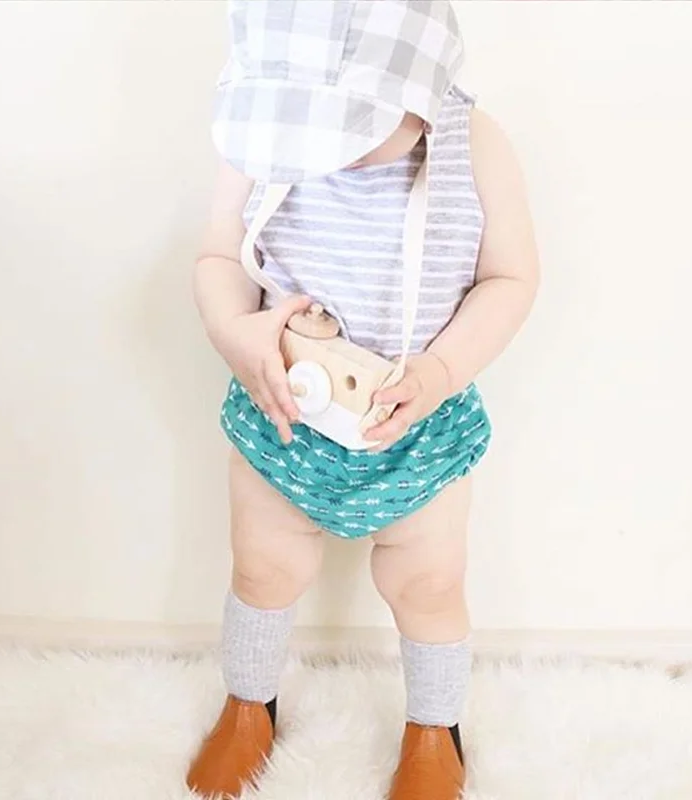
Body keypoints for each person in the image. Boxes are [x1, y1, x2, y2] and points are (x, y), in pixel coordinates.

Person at [187, 1, 539, 798]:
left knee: (429, 584)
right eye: (304, 124)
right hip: (281, 414)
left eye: (345, 126)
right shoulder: (263, 135)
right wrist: (235, 333)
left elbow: (510, 278)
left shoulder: (476, 145)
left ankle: (435, 728)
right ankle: (248, 704)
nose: (322, 150)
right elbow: (219, 254)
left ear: (421, 88)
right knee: (263, 569)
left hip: (418, 428)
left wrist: (441, 370)